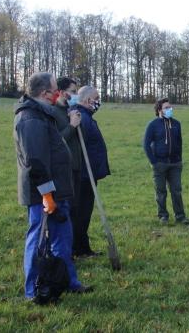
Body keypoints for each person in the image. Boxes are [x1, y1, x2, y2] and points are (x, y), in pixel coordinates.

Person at [13, 72, 92, 299]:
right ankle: (35, 289)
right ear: (45, 93)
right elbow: (35, 162)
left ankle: (67, 281)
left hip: (58, 191)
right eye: (56, 89)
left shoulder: (43, 114)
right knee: (38, 240)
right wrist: (47, 194)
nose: (60, 93)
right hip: (43, 195)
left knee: (62, 240)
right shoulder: (30, 118)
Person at [73, 85, 110, 258]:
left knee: (84, 213)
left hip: (89, 173)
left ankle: (82, 247)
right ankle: (79, 250)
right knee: (81, 213)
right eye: (97, 99)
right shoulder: (82, 117)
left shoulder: (85, 116)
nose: (98, 102)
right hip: (84, 175)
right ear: (88, 100)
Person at [144, 98, 189, 225]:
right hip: (160, 164)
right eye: (166, 108)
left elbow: (179, 142)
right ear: (159, 110)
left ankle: (180, 216)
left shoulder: (176, 124)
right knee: (161, 191)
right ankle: (163, 216)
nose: (170, 109)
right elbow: (146, 144)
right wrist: (154, 162)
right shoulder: (153, 125)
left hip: (175, 164)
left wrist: (179, 159)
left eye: (170, 107)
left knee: (176, 190)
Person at [53, 77, 84, 257]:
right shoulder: (54, 113)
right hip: (65, 169)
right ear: (63, 92)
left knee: (75, 209)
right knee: (66, 210)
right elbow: (57, 141)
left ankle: (72, 248)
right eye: (72, 91)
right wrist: (72, 126)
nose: (74, 94)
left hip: (77, 166)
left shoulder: (71, 110)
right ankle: (64, 250)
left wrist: (77, 121)